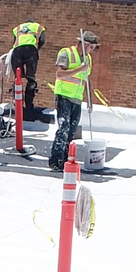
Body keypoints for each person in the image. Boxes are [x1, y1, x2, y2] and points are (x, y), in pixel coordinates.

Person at [48, 30, 99, 171]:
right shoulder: (66, 53)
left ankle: (65, 159)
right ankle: (55, 160)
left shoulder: (87, 59)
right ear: (85, 44)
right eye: (91, 47)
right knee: (63, 128)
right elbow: (59, 74)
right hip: (63, 95)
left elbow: (86, 79)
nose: (92, 51)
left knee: (71, 131)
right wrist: (79, 69)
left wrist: (90, 99)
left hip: (77, 98)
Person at [10, 20, 46, 120]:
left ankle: (17, 104)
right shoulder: (39, 27)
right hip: (31, 51)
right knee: (31, 78)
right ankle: (29, 105)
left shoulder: (17, 28)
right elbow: (42, 41)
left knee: (18, 78)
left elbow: (14, 42)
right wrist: (35, 49)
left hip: (17, 52)